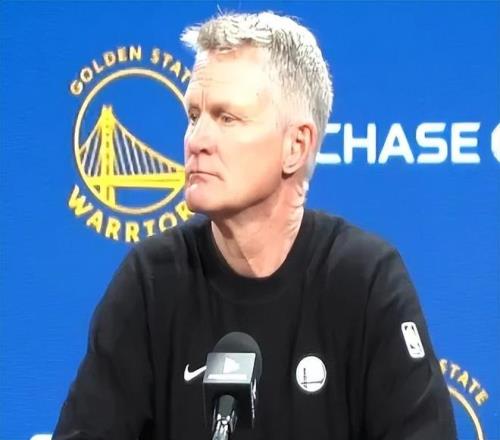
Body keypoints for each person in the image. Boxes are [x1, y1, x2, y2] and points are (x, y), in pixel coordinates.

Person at [53, 11, 457, 440]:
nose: (196, 140)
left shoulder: (365, 280)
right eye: (194, 116)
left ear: (295, 146)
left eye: (227, 118)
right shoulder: (152, 281)